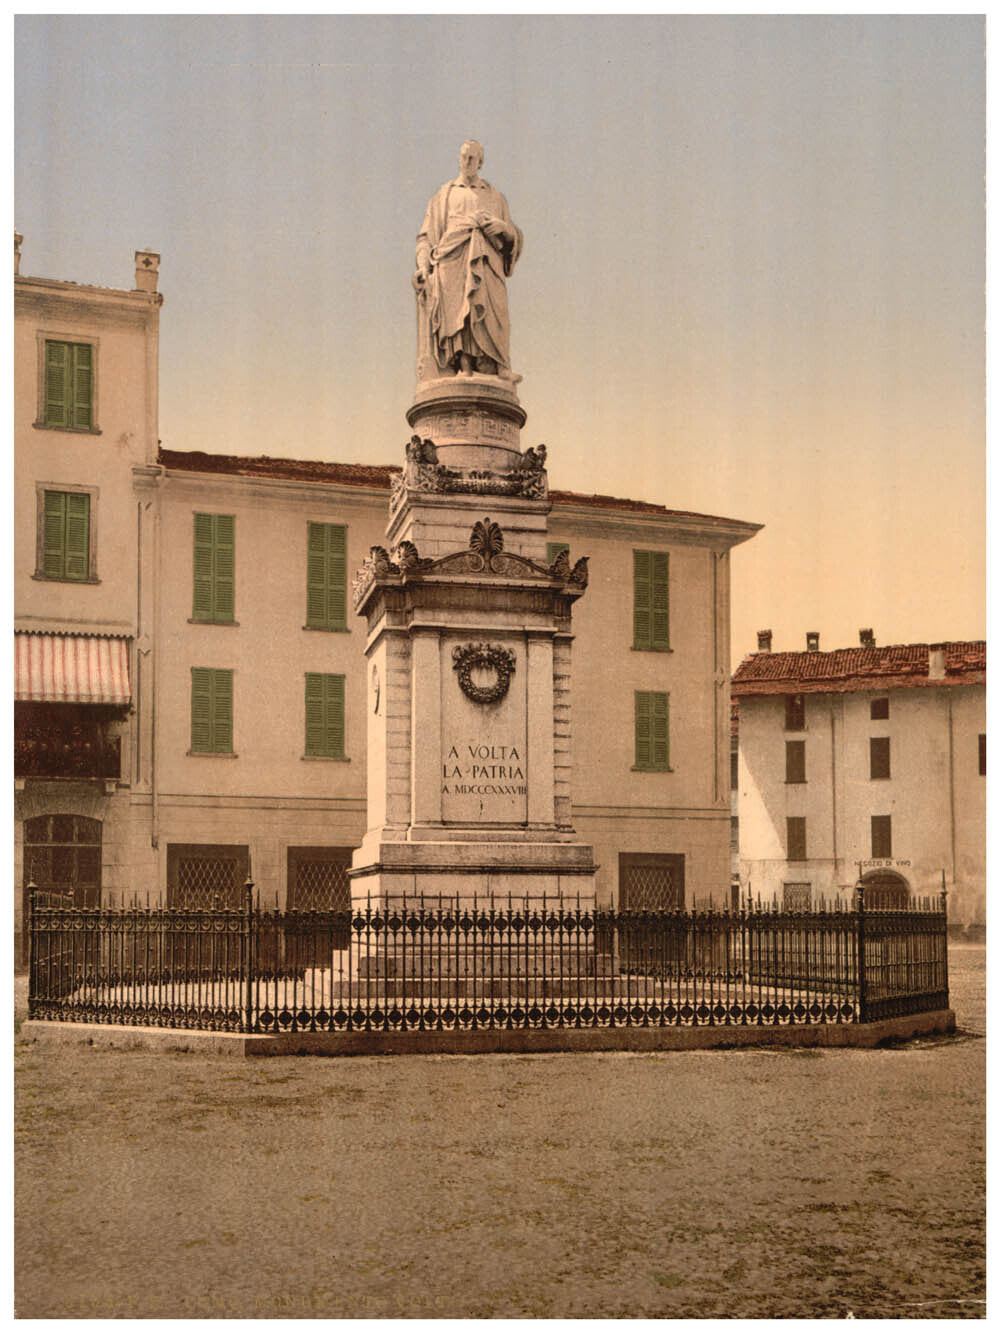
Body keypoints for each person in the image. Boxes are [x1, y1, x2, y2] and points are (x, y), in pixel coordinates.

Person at [414, 140, 522, 379]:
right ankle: (464, 367)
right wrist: (423, 266)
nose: (467, 162)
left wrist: (504, 228)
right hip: (452, 261)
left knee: (490, 311)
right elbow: (425, 239)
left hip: (487, 264)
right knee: (459, 312)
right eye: (464, 157)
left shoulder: (495, 197)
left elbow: (514, 236)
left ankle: (499, 364)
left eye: (473, 158)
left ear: (481, 162)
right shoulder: (444, 196)